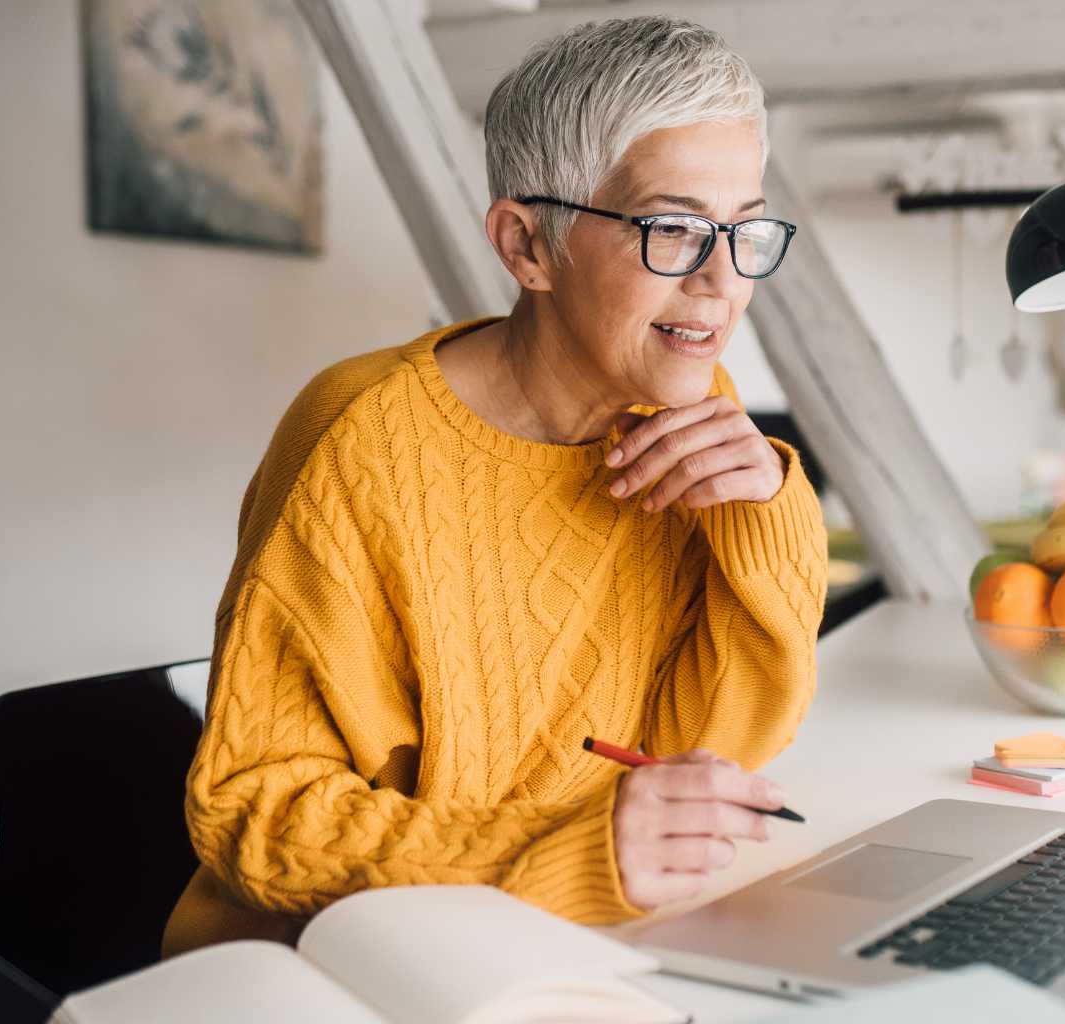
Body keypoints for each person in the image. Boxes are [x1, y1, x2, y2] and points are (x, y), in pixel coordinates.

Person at [161, 16, 827, 956]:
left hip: (553, 938)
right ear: (526, 247)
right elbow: (256, 814)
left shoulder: (681, 413)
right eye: (672, 228)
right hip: (323, 960)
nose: (723, 280)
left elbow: (711, 752)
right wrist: (558, 850)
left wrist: (767, 516)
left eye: (745, 228)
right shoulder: (359, 439)